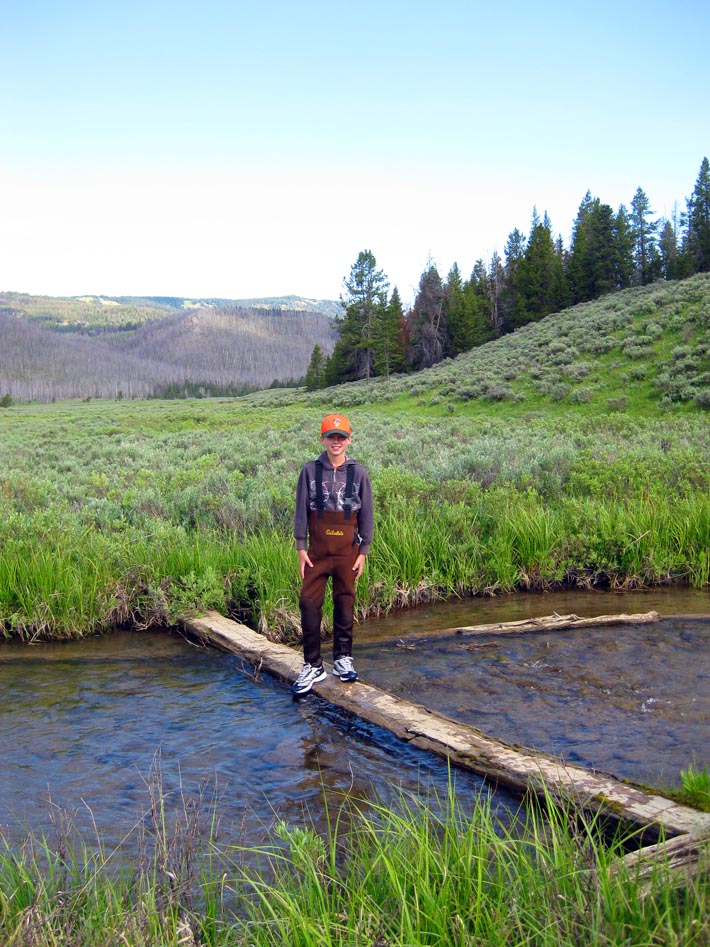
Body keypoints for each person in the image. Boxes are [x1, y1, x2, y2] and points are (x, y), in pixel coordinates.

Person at [292, 413, 374, 695]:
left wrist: (363, 551)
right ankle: (313, 664)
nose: (336, 442)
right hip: (315, 553)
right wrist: (301, 547)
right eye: (331, 437)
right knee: (308, 602)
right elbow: (301, 511)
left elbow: (367, 513)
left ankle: (343, 658)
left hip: (347, 553)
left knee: (345, 601)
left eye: (341, 437)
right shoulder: (309, 471)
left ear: (349, 440)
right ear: (323, 440)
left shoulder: (359, 473)